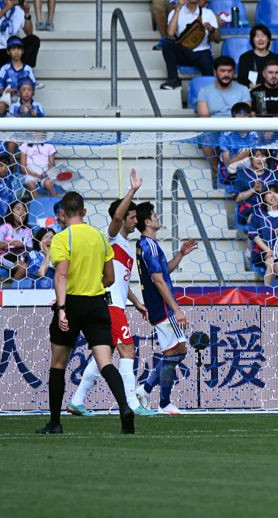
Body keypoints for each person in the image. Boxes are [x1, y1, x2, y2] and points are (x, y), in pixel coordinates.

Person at [35, 192, 134, 435]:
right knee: (106, 362)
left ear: (61, 214)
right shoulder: (100, 237)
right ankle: (124, 408)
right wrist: (93, 284)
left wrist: (61, 308)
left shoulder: (63, 237)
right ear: (84, 212)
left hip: (71, 304)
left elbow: (61, 275)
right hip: (97, 303)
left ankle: (55, 423)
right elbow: (110, 277)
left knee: (58, 365)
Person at [65, 171, 156, 418]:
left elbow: (121, 283)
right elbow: (116, 216)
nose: (137, 220)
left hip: (117, 303)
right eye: (133, 216)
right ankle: (131, 404)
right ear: (123, 218)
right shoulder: (112, 237)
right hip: (110, 305)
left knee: (105, 354)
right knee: (128, 350)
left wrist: (136, 302)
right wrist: (133, 191)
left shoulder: (126, 245)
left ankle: (77, 400)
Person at [134, 202, 197, 415]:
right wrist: (176, 310)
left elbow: (164, 272)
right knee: (177, 351)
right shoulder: (148, 246)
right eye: (154, 214)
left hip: (158, 307)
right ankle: (163, 402)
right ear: (147, 221)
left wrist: (180, 254)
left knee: (176, 351)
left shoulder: (148, 245)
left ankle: (146, 388)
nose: (157, 216)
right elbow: (159, 281)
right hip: (162, 307)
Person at [160, 0, 221, 91]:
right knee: (167, 43)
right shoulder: (175, 12)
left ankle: (210, 90)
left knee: (207, 63)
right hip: (184, 51)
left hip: (202, 52)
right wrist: (177, 9)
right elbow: (170, 33)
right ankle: (173, 80)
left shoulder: (208, 13)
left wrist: (212, 29)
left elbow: (217, 40)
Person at [248, 184, 278, 285]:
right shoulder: (258, 213)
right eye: (269, 192)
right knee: (271, 263)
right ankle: (266, 294)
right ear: (264, 197)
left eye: (276, 192)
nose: (273, 195)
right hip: (263, 252)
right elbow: (254, 235)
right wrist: (268, 250)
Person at [0, 0, 40, 77]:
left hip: (11, 51)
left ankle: (25, 75)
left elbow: (29, 33)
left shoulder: (19, 10)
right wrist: (5, 9)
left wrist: (26, 13)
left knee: (33, 40)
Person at [236, 24, 278, 89]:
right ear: (252, 40)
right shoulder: (245, 58)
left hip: (272, 92)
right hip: (252, 92)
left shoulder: (276, 58)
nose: (260, 39)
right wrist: (250, 85)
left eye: (263, 36)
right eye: (257, 36)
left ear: (268, 39)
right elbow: (241, 80)